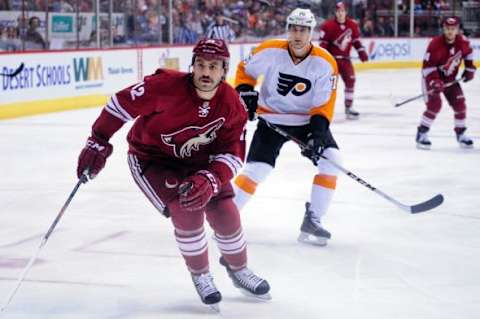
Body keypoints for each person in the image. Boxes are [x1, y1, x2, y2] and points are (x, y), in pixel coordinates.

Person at [75, 38, 270, 309]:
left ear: (224, 70)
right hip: (153, 160)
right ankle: (201, 274)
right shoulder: (163, 87)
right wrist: (98, 139)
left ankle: (239, 269)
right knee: (186, 208)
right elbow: (119, 105)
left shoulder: (232, 104)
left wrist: (212, 178)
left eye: (213, 67)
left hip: (202, 164)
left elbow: (234, 153)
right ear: (192, 65)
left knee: (226, 213)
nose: (205, 72)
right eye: (200, 64)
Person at [233, 8, 341, 246]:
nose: (298, 34)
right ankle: (226, 217)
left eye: (303, 30)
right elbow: (244, 71)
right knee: (257, 170)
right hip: (272, 120)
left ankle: (314, 219)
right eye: (293, 28)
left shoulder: (325, 62)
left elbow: (323, 104)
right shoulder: (270, 49)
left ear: (311, 32)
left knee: (332, 160)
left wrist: (318, 134)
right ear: (287, 30)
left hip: (305, 122)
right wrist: (244, 91)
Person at [416, 17, 476, 149]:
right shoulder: (435, 44)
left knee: (460, 105)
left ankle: (461, 134)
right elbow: (427, 67)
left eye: (453, 29)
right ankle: (422, 133)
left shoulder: (463, 42)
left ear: (458, 29)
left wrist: (470, 68)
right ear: (443, 29)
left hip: (450, 80)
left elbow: (469, 53)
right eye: (447, 29)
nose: (450, 32)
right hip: (431, 80)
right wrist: (434, 81)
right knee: (434, 105)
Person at [319, 2, 368, 119]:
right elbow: (323, 45)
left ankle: (349, 107)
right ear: (335, 12)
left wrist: (361, 52)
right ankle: (324, 108)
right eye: (338, 11)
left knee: (351, 80)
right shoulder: (328, 26)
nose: (340, 13)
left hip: (345, 60)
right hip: (332, 62)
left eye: (342, 11)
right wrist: (323, 59)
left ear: (346, 12)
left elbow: (356, 41)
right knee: (330, 86)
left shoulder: (352, 25)